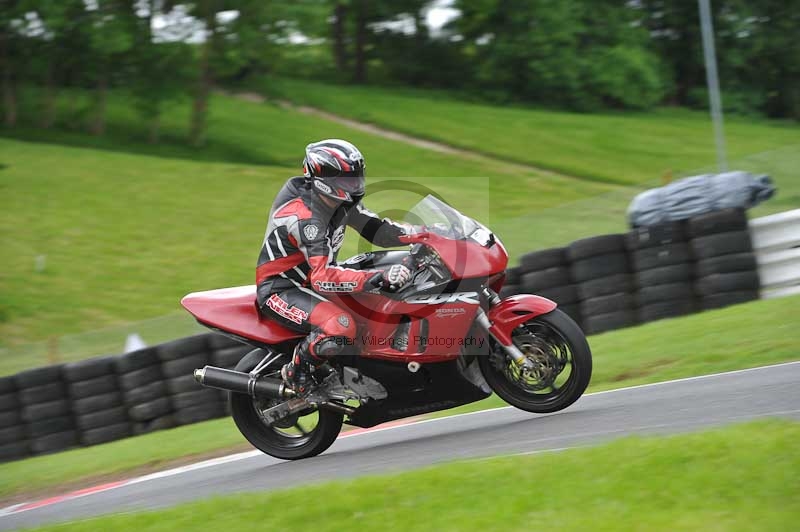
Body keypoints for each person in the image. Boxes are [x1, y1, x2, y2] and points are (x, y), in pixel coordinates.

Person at [256, 139, 415, 392]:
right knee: (340, 326)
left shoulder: (337, 201)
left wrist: (423, 234)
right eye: (346, 180)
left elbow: (378, 231)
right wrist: (377, 278)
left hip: (314, 282)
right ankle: (296, 373)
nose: (354, 185)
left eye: (356, 177)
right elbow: (321, 276)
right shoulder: (307, 218)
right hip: (284, 288)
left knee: (379, 302)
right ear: (323, 180)